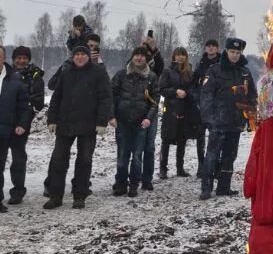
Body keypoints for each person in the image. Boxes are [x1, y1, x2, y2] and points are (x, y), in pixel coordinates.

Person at [44, 45, 114, 209]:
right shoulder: (66, 72)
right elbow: (56, 97)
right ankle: (55, 195)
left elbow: (105, 97)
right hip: (65, 122)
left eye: (83, 54)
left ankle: (79, 195)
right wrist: (52, 119)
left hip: (88, 124)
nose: (80, 57)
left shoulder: (98, 72)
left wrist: (102, 121)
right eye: (77, 54)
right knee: (58, 160)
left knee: (84, 160)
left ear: (88, 57)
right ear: (73, 56)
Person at [200, 37, 256, 199]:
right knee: (212, 155)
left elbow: (251, 96)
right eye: (232, 52)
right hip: (217, 121)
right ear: (226, 51)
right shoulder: (215, 70)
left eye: (238, 52)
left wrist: (250, 118)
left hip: (236, 121)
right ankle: (206, 187)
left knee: (230, 155)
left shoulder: (244, 72)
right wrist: (209, 119)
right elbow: (206, 96)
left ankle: (224, 186)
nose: (235, 55)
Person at [111, 46, 158, 197]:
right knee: (123, 154)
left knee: (137, 156)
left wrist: (148, 118)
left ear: (147, 59)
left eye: (142, 56)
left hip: (141, 124)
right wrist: (111, 116)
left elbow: (155, 101)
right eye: (136, 55)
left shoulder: (151, 77)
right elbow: (111, 96)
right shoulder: (121, 74)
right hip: (123, 122)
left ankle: (133, 184)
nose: (139, 58)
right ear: (132, 57)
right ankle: (121, 182)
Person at [5, 46, 45, 204]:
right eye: (18, 58)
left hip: (21, 123)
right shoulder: (5, 73)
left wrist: (24, 118)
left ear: (28, 59)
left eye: (24, 58)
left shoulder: (34, 76)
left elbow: (38, 102)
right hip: (3, 122)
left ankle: (18, 191)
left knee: (18, 158)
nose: (21, 61)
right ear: (13, 59)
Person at [159, 47, 197, 178]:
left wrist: (188, 93)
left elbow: (193, 88)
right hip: (170, 110)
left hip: (185, 110)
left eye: (183, 55)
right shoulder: (167, 71)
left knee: (182, 141)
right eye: (178, 55)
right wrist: (175, 92)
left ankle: (180, 168)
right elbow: (162, 88)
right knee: (166, 140)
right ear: (174, 56)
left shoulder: (189, 72)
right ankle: (163, 169)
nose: (181, 57)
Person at [0, 55, 30, 214]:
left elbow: (24, 106)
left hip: (11, 128)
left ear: (3, 58)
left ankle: (18, 191)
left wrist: (22, 124)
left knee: (16, 161)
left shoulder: (15, 80)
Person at [192, 38, 221, 178]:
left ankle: (214, 166)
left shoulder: (222, 63)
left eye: (213, 46)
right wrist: (197, 98)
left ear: (217, 48)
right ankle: (201, 165)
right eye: (208, 46)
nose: (210, 48)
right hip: (202, 105)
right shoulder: (200, 64)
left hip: (217, 105)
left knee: (216, 137)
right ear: (205, 48)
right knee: (200, 137)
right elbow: (194, 83)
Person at [139, 33, 164, 190]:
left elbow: (161, 65)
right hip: (135, 111)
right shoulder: (133, 66)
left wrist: (154, 49)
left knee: (149, 146)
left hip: (152, 110)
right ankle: (133, 177)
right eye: (141, 54)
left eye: (146, 54)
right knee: (136, 147)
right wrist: (141, 48)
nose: (142, 58)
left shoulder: (155, 70)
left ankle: (147, 178)